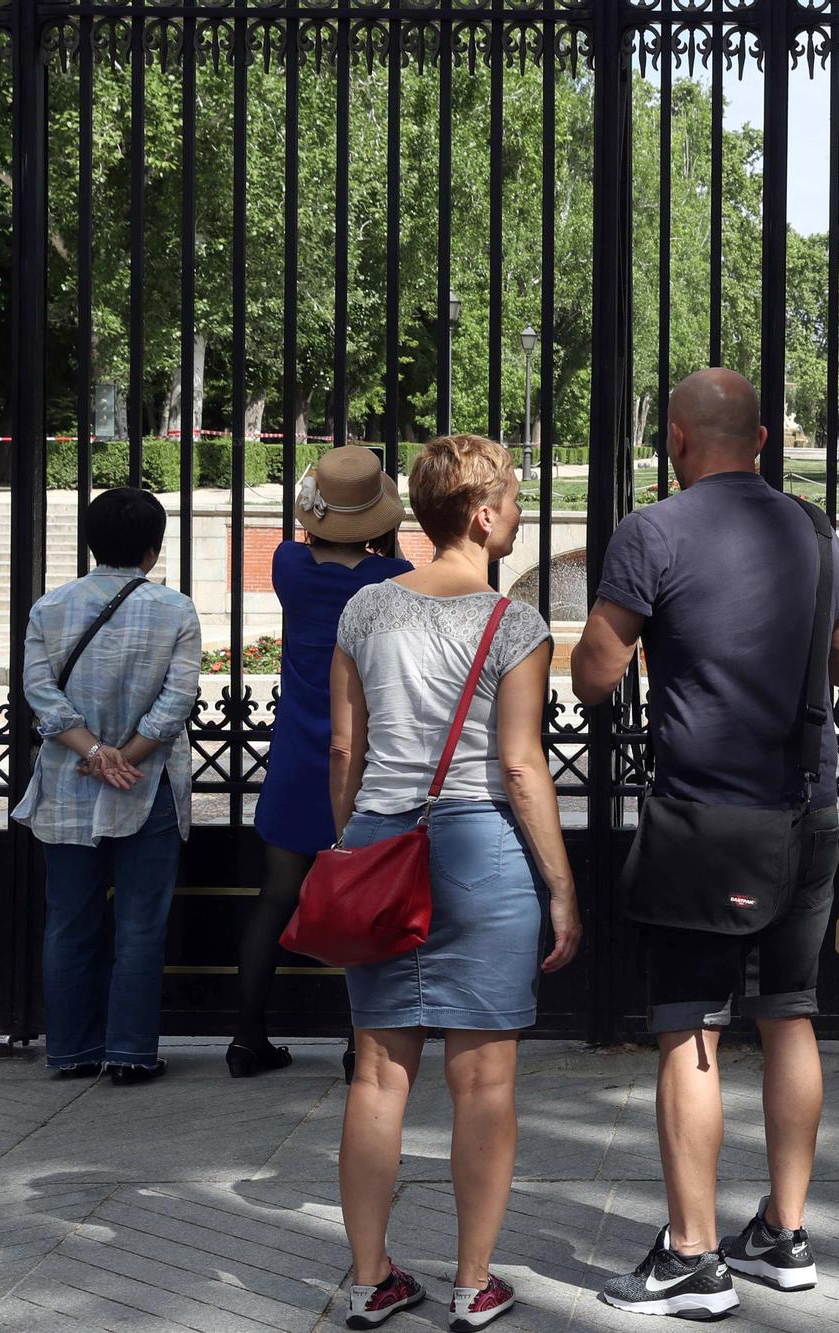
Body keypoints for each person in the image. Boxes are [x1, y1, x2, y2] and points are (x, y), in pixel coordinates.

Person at [572, 369, 839, 1319]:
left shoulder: (652, 532)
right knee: (790, 1012)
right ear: (767, 437)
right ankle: (784, 1232)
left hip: (706, 819)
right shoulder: (815, 530)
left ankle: (694, 1256)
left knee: (690, 1022)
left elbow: (597, 675)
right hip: (808, 809)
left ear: (674, 441)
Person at [330, 434, 580, 1331]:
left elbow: (345, 748)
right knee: (484, 1084)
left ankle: (369, 1277)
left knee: (376, 1074)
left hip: (381, 838)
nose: (517, 511)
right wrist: (561, 886)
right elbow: (520, 767)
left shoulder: (365, 610)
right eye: (512, 497)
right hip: (480, 849)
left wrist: (352, 844)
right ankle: (474, 1281)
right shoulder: (514, 624)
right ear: (482, 515)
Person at [232, 446, 412, 1080]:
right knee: (365, 901)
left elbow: (300, 541)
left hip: (294, 755)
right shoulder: (389, 579)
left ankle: (246, 1036)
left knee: (275, 897)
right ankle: (357, 1043)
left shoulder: (288, 565)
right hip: (361, 754)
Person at [14, 486, 201, 1086]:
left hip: (69, 781)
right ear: (154, 548)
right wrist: (129, 756)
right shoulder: (175, 609)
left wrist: (93, 752)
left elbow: (39, 692)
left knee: (70, 921)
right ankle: (130, 1054)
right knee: (142, 923)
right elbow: (178, 701)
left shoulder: (51, 606)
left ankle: (70, 1051)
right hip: (147, 786)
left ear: (93, 542)